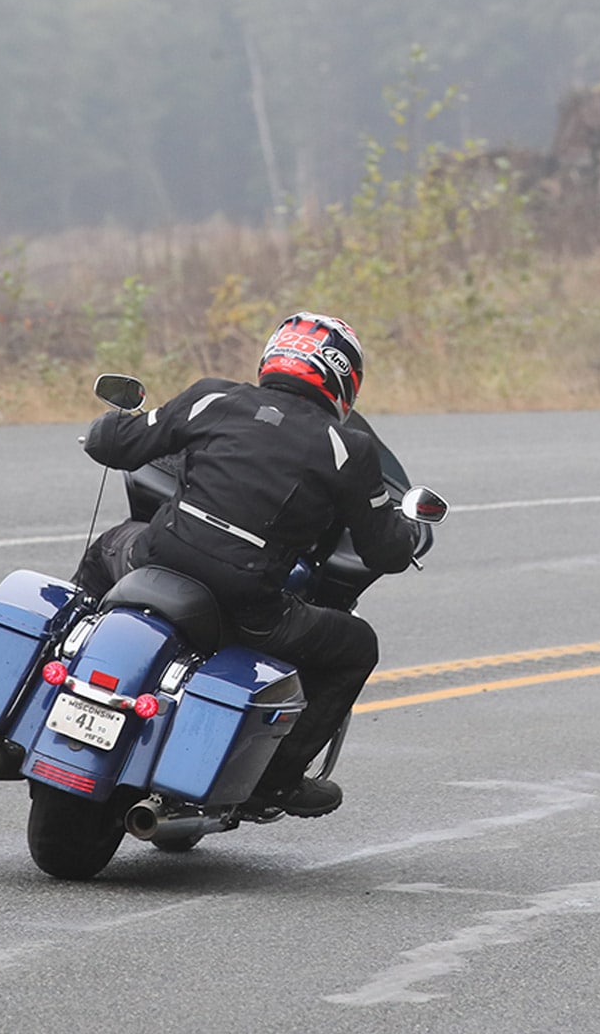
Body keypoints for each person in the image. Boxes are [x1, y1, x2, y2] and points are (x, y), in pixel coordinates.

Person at [77, 312, 421, 818]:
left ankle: (71, 653)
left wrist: (113, 420)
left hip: (156, 558)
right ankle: (277, 782)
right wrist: (408, 528)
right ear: (343, 378)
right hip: (249, 605)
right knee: (356, 645)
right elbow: (384, 550)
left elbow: (113, 445)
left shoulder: (213, 398)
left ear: (275, 355)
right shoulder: (348, 447)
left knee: (106, 546)